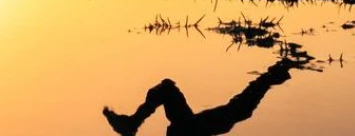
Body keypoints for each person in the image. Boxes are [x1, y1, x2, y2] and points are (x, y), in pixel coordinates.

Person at [101, 54, 306, 136]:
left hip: (189, 129)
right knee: (238, 110)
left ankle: (133, 123)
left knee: (238, 110)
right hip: (190, 131)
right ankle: (133, 123)